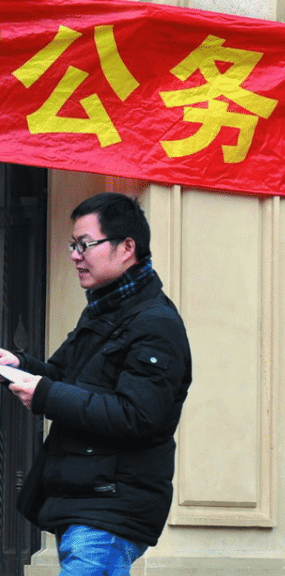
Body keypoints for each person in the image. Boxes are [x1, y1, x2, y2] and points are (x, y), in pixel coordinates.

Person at [0, 192, 192, 575]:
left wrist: (47, 394)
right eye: (73, 245)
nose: (75, 255)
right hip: (84, 501)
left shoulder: (155, 324)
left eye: (85, 244)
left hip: (110, 508)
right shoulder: (104, 311)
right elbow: (65, 379)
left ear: (126, 248)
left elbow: (138, 414)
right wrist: (19, 365)